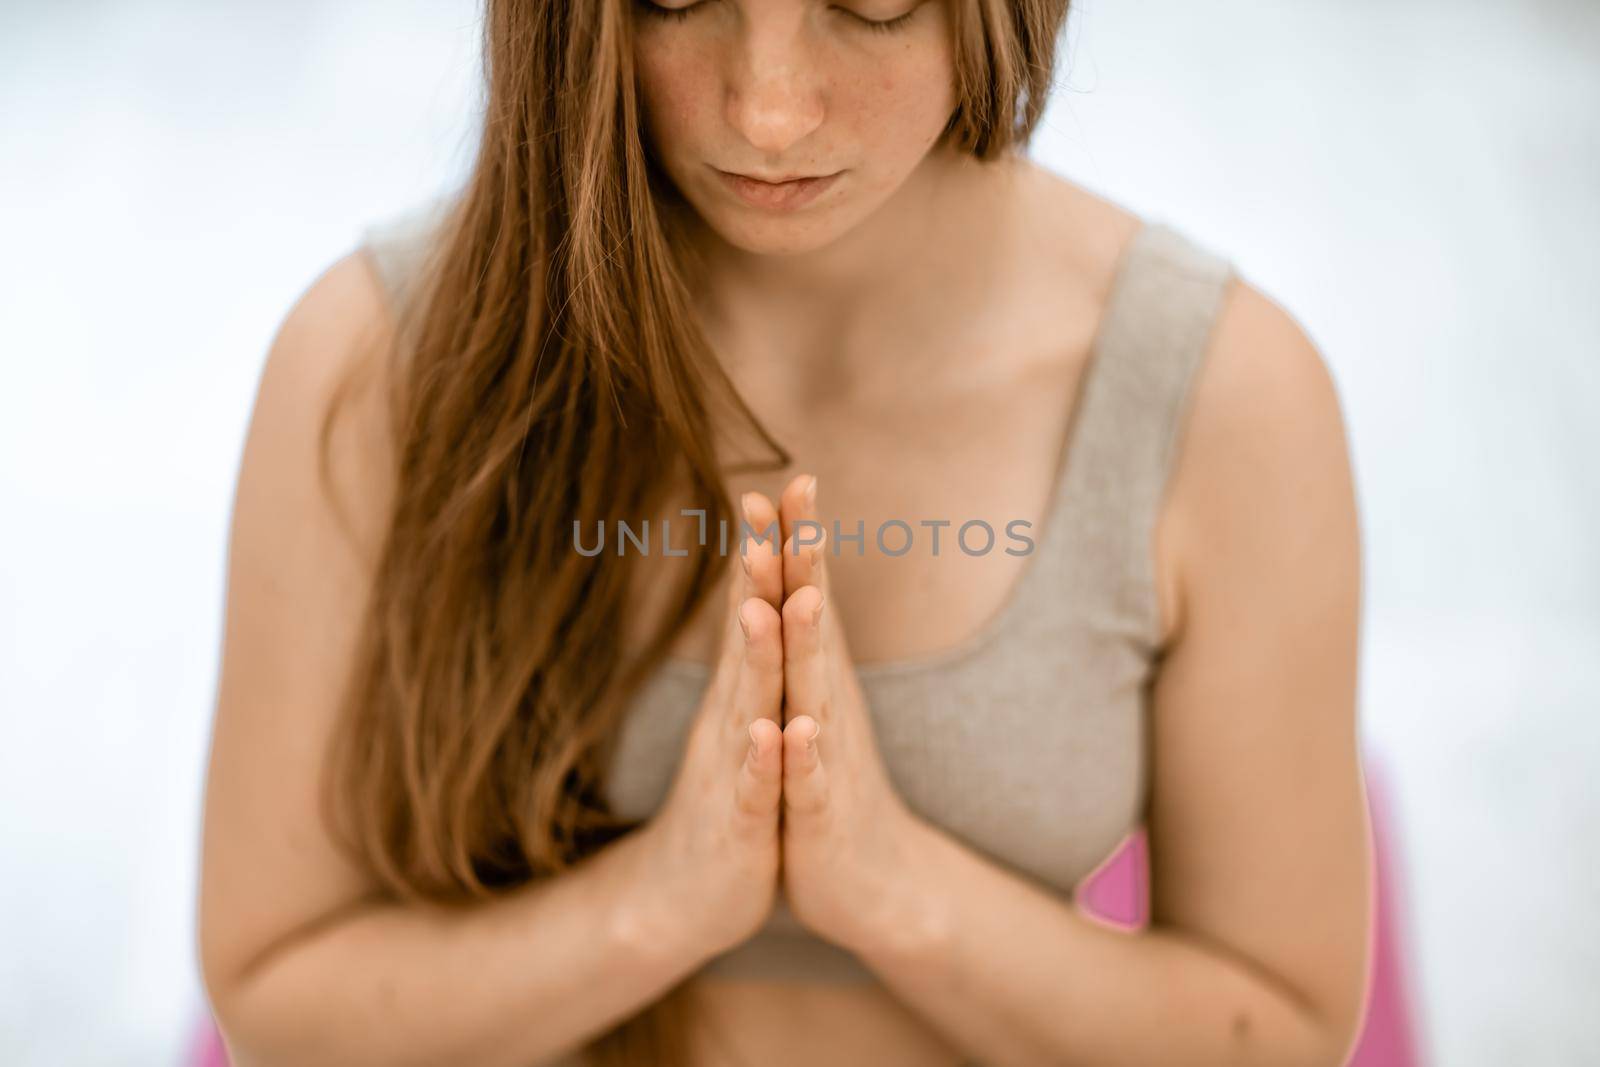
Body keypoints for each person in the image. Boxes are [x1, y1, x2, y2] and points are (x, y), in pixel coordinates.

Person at [196, 0, 1373, 1064]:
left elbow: (1281, 1024)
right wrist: (661, 901)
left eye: (870, 3)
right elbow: (276, 998)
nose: (767, 113)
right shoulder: (376, 364)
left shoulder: (1220, 397)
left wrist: (889, 885)